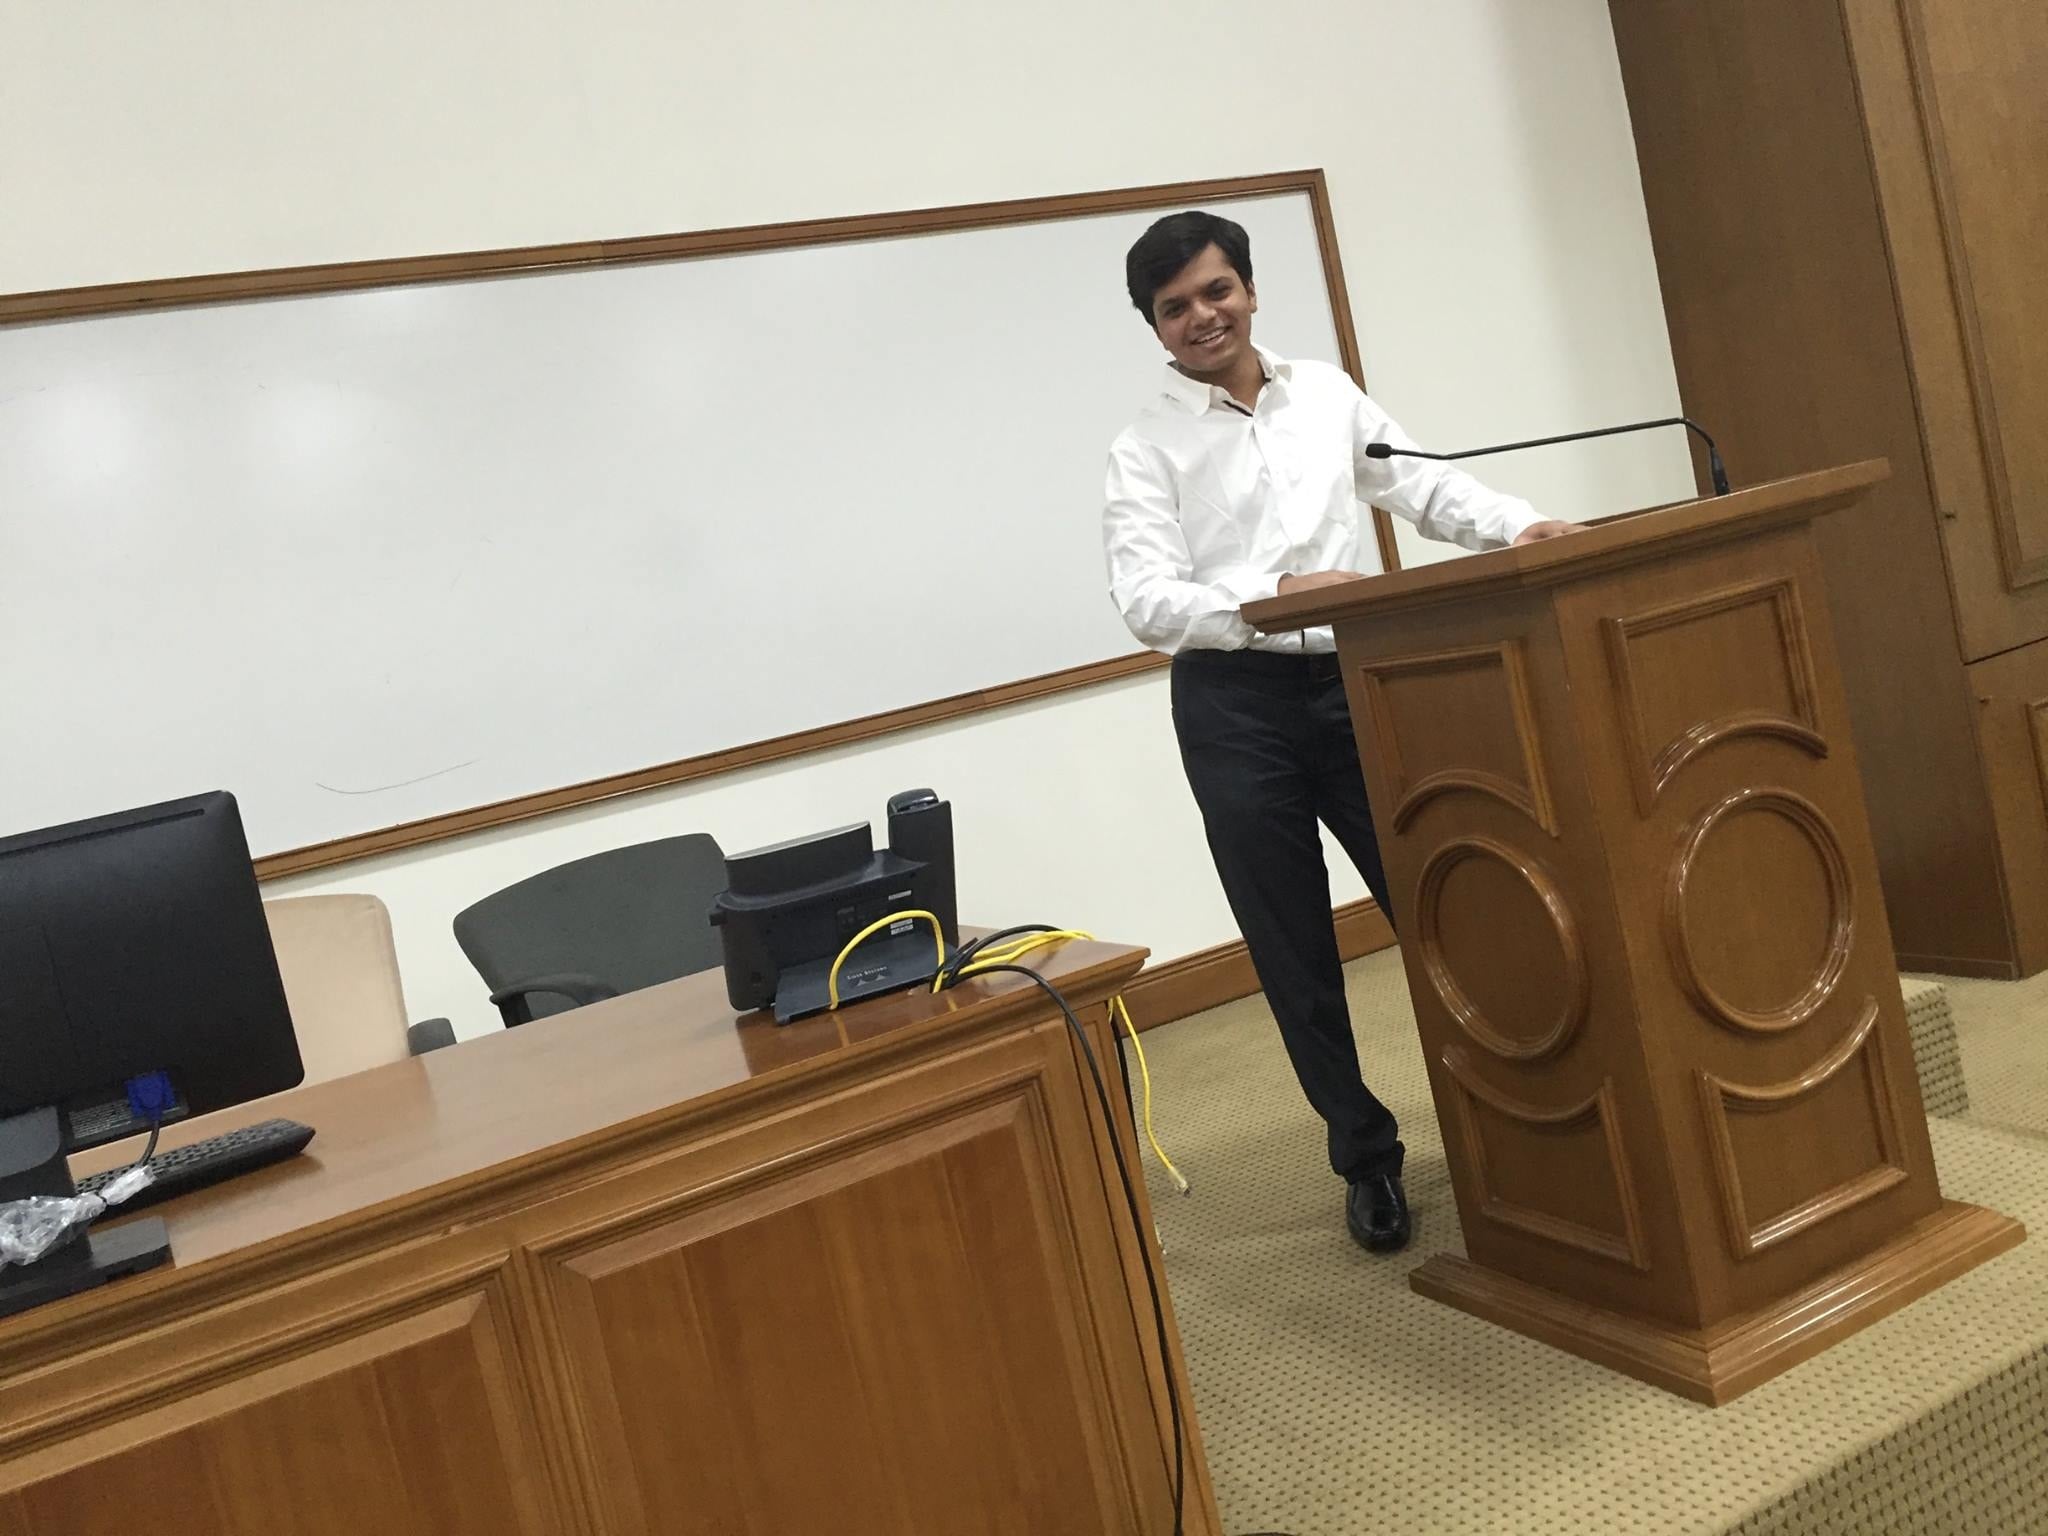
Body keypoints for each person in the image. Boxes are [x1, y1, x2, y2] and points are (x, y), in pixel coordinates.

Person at [1102, 209, 1578, 1253]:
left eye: (1216, 291)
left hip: (1356, 682)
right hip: (1233, 707)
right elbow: (1144, 598)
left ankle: (1512, 1118)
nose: (1201, 316)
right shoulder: (1144, 448)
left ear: (1249, 290)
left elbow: (1419, 482)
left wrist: (1517, 526)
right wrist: (1268, 600)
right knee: (1294, 945)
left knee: (1437, 903)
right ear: (1154, 325)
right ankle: (1364, 1157)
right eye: (1175, 306)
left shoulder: (1323, 393)